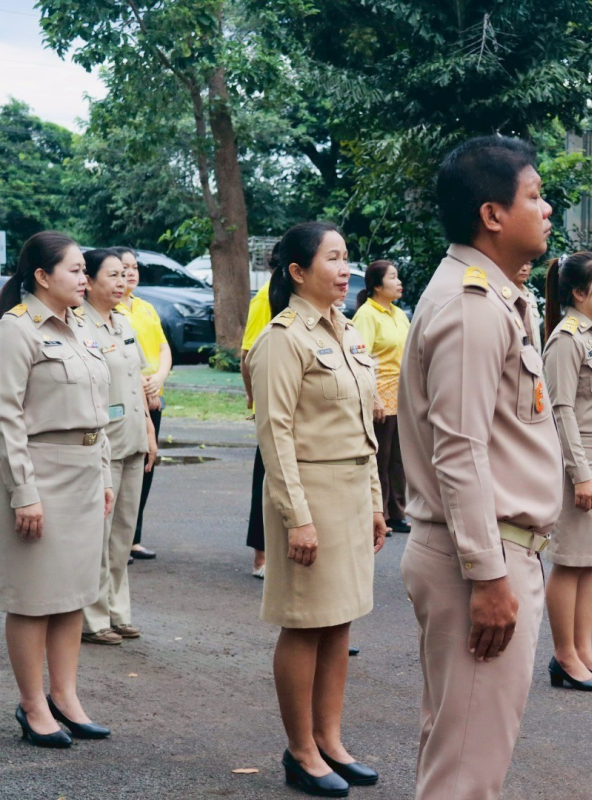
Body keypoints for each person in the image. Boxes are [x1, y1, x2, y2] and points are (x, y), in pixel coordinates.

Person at [398, 136, 563, 800]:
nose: (547, 208)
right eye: (534, 195)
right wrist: (490, 576)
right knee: (466, 776)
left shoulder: (495, 297)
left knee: (461, 753)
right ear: (492, 215)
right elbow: (459, 450)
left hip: (490, 553)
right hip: (481, 560)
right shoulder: (471, 306)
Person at [248, 222, 386, 796]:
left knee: (340, 621)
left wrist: (377, 501)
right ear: (298, 272)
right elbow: (274, 435)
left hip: (351, 493)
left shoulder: (348, 333)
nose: (345, 268)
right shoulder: (284, 338)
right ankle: (300, 749)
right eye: (333, 258)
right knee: (305, 624)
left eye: (347, 257)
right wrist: (296, 516)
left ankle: (330, 738)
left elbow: (364, 428)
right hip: (309, 495)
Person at [0, 231, 114, 747]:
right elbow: (7, 418)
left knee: (72, 594)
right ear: (42, 276)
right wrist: (24, 492)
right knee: (34, 596)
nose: (85, 278)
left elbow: (98, 414)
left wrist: (103, 473)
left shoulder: (81, 327)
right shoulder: (16, 330)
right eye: (76, 270)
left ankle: (66, 696)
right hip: (38, 470)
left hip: (84, 470)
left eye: (85, 270)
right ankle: (32, 704)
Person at [541, 250, 592, 692]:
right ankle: (564, 655)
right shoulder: (566, 339)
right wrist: (580, 473)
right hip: (580, 462)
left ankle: (584, 649)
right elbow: (561, 409)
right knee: (569, 562)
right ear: (579, 291)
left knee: (590, 562)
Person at [80, 249, 158, 646]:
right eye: (112, 275)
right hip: (102, 443)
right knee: (99, 532)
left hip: (131, 438)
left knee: (123, 533)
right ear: (89, 281)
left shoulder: (123, 322)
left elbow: (135, 381)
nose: (121, 281)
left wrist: (148, 428)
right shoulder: (80, 326)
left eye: (124, 274)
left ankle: (117, 611)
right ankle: (91, 618)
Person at [115, 246, 170, 562]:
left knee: (146, 467)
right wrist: (144, 386)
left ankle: (134, 538)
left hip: (153, 395)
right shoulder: (108, 310)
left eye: (134, 267)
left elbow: (164, 349)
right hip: (129, 396)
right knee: (124, 466)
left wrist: (157, 380)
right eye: (123, 268)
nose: (130, 273)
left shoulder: (146, 308)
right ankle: (119, 539)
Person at [353, 260, 411, 534]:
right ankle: (380, 514)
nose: (399, 282)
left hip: (401, 397)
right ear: (377, 285)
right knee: (379, 457)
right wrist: (373, 398)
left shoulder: (398, 313)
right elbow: (359, 358)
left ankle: (397, 512)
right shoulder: (367, 315)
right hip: (378, 396)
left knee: (399, 459)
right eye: (392, 277)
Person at [241, 264, 275, 578]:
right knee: (266, 476)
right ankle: (261, 555)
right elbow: (247, 354)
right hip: (272, 403)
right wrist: (253, 398)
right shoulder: (266, 297)